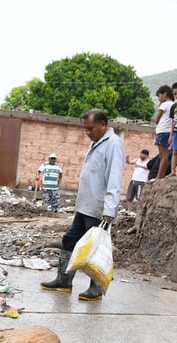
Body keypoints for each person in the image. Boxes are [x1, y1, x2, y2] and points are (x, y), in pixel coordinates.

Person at [40, 109, 124, 301]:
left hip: (98, 208)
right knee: (69, 240)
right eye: (85, 129)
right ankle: (64, 280)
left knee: (94, 249)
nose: (88, 133)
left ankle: (95, 289)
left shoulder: (113, 144)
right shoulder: (96, 143)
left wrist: (109, 210)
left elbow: (114, 178)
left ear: (103, 124)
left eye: (91, 128)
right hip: (84, 206)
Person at [152, 85, 174, 180]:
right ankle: (161, 175)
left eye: (159, 96)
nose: (159, 99)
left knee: (163, 155)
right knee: (164, 155)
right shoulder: (173, 104)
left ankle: (159, 176)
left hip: (162, 131)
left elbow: (157, 120)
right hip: (168, 131)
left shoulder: (164, 105)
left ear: (165, 94)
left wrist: (153, 119)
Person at [124, 149, 150, 215]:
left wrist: (139, 166)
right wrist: (127, 159)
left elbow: (147, 167)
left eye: (143, 154)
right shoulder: (137, 160)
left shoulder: (148, 162)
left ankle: (140, 212)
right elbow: (129, 162)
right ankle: (129, 211)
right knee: (129, 197)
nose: (141, 155)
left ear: (146, 155)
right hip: (133, 180)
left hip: (141, 182)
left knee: (139, 198)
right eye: (141, 154)